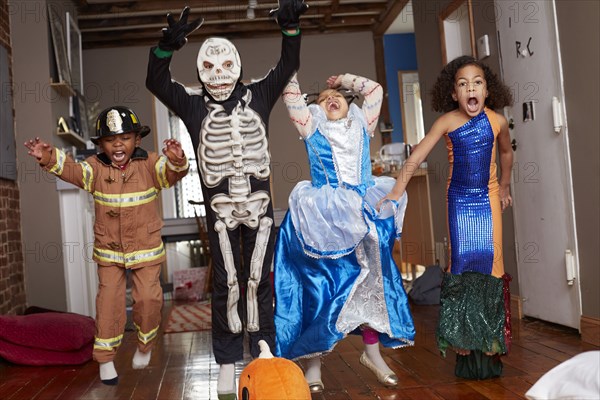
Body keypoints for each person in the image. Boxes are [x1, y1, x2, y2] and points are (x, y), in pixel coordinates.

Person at [145, 3, 307, 398]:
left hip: (260, 211)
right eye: (209, 66)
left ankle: (264, 348)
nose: (218, 74)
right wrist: (166, 47)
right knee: (226, 282)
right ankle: (227, 361)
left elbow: (287, 64)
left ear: (237, 65)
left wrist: (290, 28)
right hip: (219, 213)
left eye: (225, 64)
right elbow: (156, 81)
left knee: (258, 283)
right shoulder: (193, 103)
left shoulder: (260, 94)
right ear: (200, 71)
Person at [24, 106, 189, 385]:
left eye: (124, 137)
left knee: (148, 300)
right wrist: (48, 157)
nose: (117, 144)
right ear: (101, 144)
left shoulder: (150, 164)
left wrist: (177, 160)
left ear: (137, 140)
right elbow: (71, 170)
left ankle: (145, 345)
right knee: (108, 304)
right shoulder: (94, 167)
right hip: (110, 250)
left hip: (145, 248)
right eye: (110, 140)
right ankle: (105, 359)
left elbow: (171, 174)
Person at [274, 73, 415, 393]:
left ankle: (372, 353)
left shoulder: (362, 124)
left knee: (368, 285)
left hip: (362, 210)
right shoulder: (311, 126)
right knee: (322, 289)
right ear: (316, 109)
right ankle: (313, 363)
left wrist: (346, 80)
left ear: (348, 101)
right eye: (323, 99)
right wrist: (290, 48)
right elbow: (291, 94)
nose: (330, 99)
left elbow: (376, 90)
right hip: (325, 216)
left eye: (336, 96)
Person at [381, 55, 514, 379]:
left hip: (488, 200)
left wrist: (505, 187)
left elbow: (507, 153)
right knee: (462, 266)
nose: (471, 88)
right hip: (459, 204)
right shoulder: (447, 123)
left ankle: (491, 345)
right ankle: (463, 342)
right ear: (454, 93)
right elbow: (418, 155)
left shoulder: (497, 121)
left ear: (487, 89)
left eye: (477, 82)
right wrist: (396, 192)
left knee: (492, 266)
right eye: (463, 83)